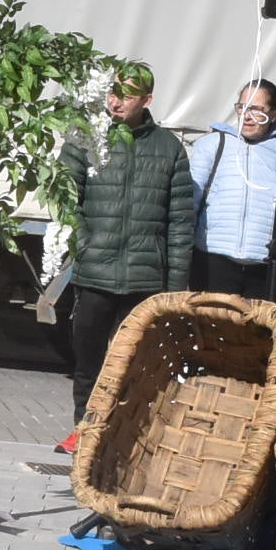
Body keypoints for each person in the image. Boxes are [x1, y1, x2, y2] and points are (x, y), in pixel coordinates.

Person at [59, 61, 197, 441]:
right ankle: (84, 435)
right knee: (88, 365)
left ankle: (122, 441)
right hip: (95, 274)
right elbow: (64, 198)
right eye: (113, 92)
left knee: (134, 368)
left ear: (147, 99)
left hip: (144, 280)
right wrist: (85, 244)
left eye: (128, 95)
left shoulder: (169, 149)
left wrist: (174, 289)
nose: (117, 102)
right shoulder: (86, 138)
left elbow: (181, 223)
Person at [187, 79, 276, 304]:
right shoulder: (212, 144)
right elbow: (189, 206)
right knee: (210, 335)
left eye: (257, 109)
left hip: (265, 268)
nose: (248, 115)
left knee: (257, 338)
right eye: (242, 107)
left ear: (274, 113)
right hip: (213, 262)